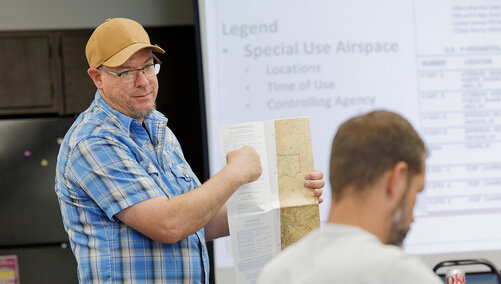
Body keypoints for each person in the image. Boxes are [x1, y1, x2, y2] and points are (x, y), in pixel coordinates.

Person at [54, 18, 324, 283]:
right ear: (98, 78)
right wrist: (234, 174)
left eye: (148, 67)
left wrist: (285, 196)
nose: (144, 82)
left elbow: (199, 222)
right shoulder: (93, 141)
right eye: (126, 72)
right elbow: (169, 225)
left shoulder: (159, 130)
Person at [258, 110, 443, 284]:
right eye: (416, 192)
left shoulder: (276, 272)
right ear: (397, 180)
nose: (412, 218)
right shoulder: (398, 273)